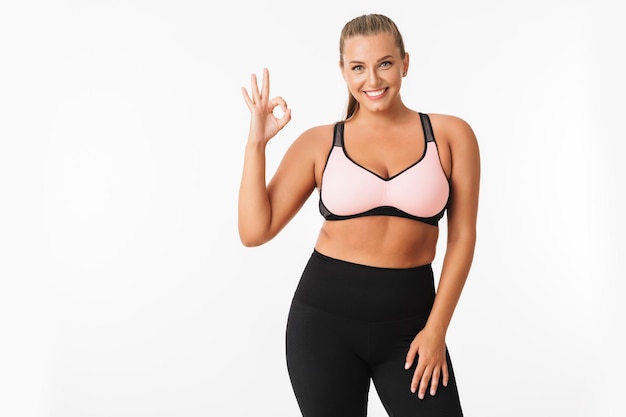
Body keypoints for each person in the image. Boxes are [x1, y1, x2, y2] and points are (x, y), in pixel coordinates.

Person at [238, 13, 480, 417]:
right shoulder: (320, 143)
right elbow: (254, 230)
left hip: (413, 325)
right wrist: (256, 143)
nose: (373, 80)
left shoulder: (452, 135)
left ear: (404, 62)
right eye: (358, 68)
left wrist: (436, 329)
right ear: (343, 71)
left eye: (384, 63)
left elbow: (463, 237)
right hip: (322, 324)